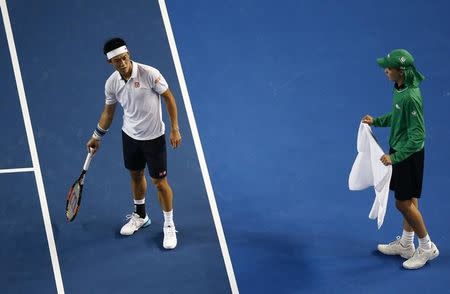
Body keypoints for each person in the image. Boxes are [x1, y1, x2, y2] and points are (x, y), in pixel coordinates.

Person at [86, 37, 181, 249]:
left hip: (154, 138)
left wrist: (174, 128)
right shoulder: (111, 83)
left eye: (125, 58)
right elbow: (108, 113)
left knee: (159, 183)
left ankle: (168, 224)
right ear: (110, 63)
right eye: (117, 60)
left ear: (129, 54)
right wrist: (97, 136)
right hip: (129, 136)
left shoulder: (150, 73)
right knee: (136, 175)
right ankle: (140, 216)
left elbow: (169, 98)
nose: (123, 63)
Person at [362, 49, 439, 269]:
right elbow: (397, 117)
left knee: (403, 203)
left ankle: (426, 247)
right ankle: (406, 244)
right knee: (410, 200)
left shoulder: (411, 97)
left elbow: (417, 137)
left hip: (408, 155)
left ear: (401, 71)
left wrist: (396, 157)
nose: (385, 71)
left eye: (389, 68)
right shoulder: (400, 88)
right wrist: (376, 121)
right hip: (401, 151)